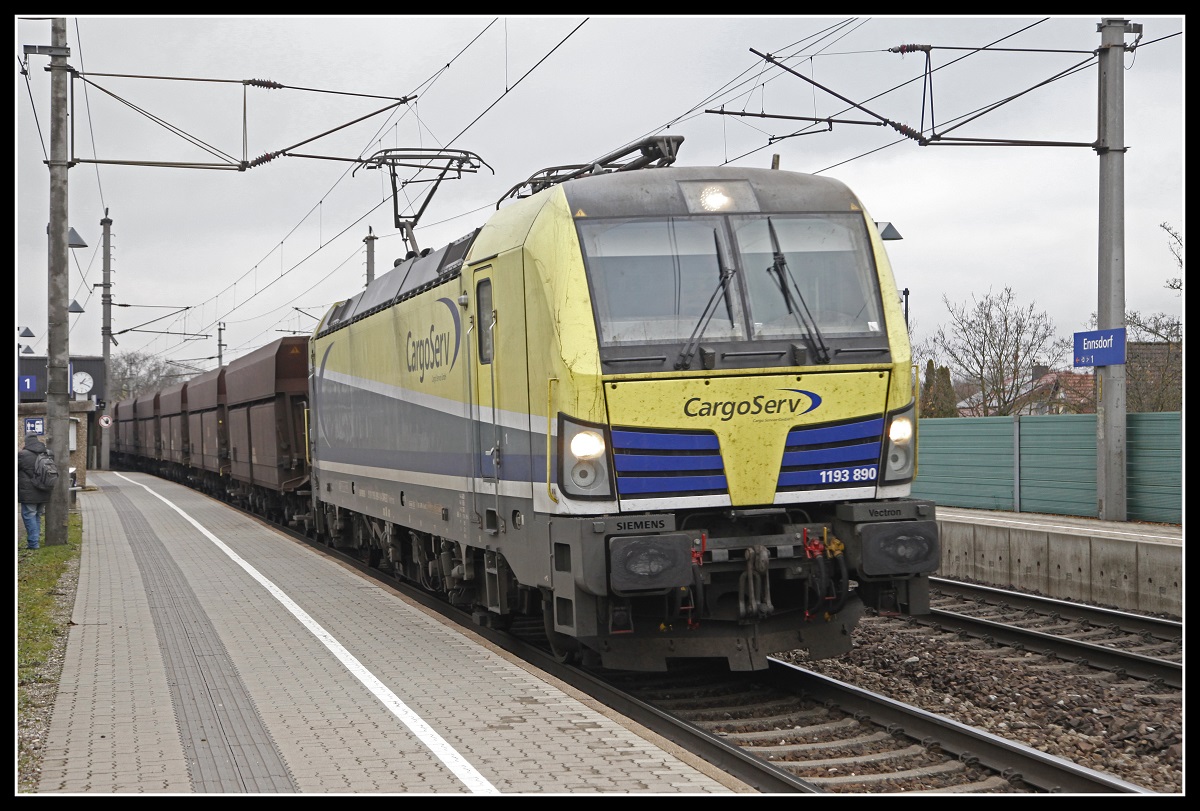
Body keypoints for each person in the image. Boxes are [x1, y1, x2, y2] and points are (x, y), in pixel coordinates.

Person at [18, 432, 52, 550]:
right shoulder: (47, 453)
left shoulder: (22, 455)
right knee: (37, 515)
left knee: (29, 515)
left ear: (26, 442)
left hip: (29, 493)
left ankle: (33, 543)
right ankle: (35, 540)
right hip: (45, 490)